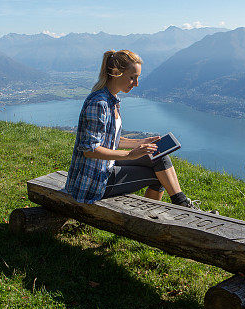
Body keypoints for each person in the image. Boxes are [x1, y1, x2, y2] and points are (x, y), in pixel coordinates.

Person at [63, 49, 202, 209]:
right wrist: (130, 155)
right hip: (92, 182)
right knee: (159, 177)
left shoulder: (111, 100)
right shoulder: (99, 103)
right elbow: (90, 150)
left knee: (159, 156)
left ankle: (182, 203)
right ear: (116, 72)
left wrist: (141, 142)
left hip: (103, 168)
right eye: (132, 78)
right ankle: (149, 220)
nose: (136, 83)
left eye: (137, 78)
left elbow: (111, 140)